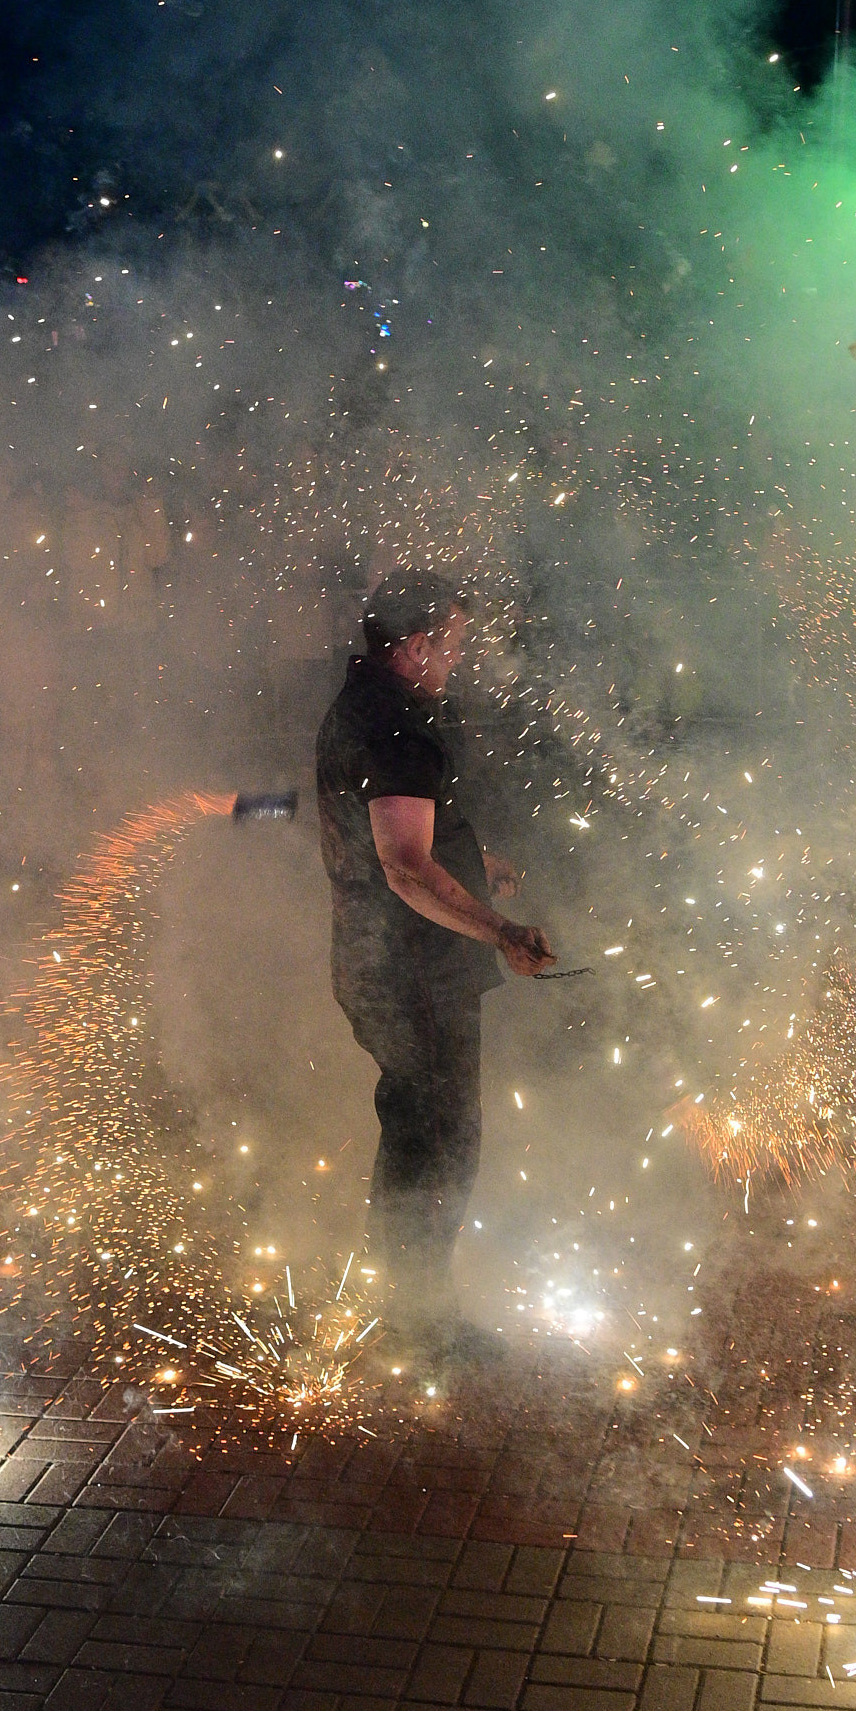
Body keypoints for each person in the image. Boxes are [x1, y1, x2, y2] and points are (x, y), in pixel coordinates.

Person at [315, 571, 555, 1350]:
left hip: (375, 957)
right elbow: (407, 867)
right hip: (411, 966)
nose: (456, 659)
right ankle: (420, 1324)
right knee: (442, 1135)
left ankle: (408, 1304)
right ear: (414, 648)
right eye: (450, 645)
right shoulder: (397, 729)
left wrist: (479, 864)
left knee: (418, 1125)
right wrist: (500, 929)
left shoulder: (364, 703)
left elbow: (403, 823)